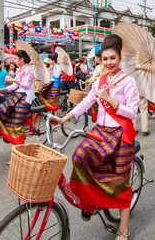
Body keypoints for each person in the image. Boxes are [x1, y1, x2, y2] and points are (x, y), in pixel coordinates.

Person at [53, 34, 139, 240]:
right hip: (100, 131)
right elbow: (87, 102)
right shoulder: (100, 80)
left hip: (120, 134)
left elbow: (133, 112)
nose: (109, 63)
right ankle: (91, 201)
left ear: (120, 59)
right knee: (79, 158)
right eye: (105, 59)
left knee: (119, 182)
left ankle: (124, 229)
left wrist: (113, 101)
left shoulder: (128, 81)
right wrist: (67, 117)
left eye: (113, 58)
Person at [0, 50, 35, 146]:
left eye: (15, 59)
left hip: (26, 97)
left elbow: (26, 86)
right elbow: (14, 86)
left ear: (22, 59)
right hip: (18, 96)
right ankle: (2, 132)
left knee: (17, 125)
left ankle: (19, 151)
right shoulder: (19, 70)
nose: (14, 61)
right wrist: (0, 90)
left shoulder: (28, 70)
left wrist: (14, 79)